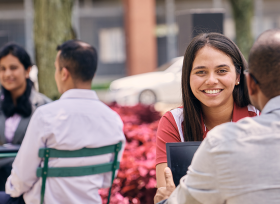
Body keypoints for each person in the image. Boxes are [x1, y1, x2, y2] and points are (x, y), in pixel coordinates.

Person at [154, 29, 280, 204]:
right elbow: (166, 189)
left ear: (238, 76)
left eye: (221, 71)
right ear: (187, 77)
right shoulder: (173, 122)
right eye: (201, 72)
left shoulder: (260, 115)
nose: (211, 80)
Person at [0, 40, 126, 204]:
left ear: (64, 73)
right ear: (92, 75)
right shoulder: (113, 120)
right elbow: (107, 180)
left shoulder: (46, 115)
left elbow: (21, 178)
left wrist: (11, 188)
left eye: (55, 68)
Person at [0, 43, 51, 191]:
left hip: (29, 180)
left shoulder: (44, 106)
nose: (7, 74)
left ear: (27, 70)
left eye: (13, 68)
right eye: (2, 69)